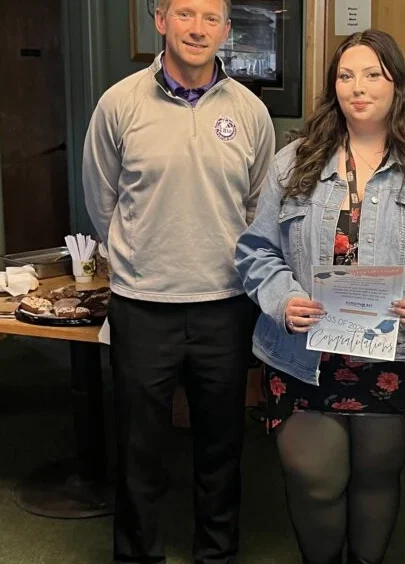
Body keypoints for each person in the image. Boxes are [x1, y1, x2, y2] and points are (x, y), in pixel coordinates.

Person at [235, 29, 405, 564]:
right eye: (345, 76)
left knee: (375, 477)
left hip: (398, 355)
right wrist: (281, 299)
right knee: (314, 478)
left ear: (398, 85)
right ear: (333, 86)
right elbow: (255, 251)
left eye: (372, 75)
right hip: (304, 354)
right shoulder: (293, 162)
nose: (357, 87)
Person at [82, 0, 275, 561]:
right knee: (139, 451)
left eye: (211, 18)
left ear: (226, 30)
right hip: (143, 306)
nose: (198, 29)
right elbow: (102, 200)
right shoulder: (119, 104)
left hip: (225, 304)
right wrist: (142, 255)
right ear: (161, 20)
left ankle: (216, 555)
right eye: (185, 14)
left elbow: (259, 207)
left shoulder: (250, 112)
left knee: (221, 449)